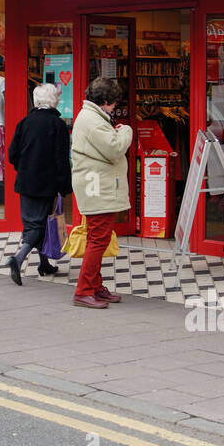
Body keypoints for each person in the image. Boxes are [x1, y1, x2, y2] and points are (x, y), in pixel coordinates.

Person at [69, 77, 133, 309]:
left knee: (100, 237)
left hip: (97, 185)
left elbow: (106, 145)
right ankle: (84, 290)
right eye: (114, 104)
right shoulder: (92, 120)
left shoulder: (92, 117)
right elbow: (115, 149)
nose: (115, 108)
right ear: (105, 101)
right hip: (97, 187)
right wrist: (125, 130)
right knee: (98, 239)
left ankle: (94, 286)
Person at [3, 82, 72, 285]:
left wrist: (24, 168)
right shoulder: (57, 125)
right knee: (40, 225)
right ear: (52, 100)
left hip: (25, 181)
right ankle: (17, 258)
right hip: (46, 184)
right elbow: (61, 159)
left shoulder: (25, 122)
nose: (59, 99)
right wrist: (64, 185)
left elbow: (12, 154)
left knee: (32, 223)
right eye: (57, 96)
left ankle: (44, 264)